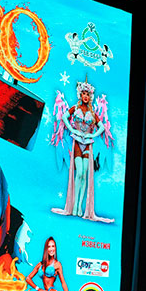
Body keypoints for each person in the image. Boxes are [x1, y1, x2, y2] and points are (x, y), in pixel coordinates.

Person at [51, 80, 108, 222]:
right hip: (77, 143)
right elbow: (64, 117)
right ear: (80, 95)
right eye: (83, 94)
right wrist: (72, 130)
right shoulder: (75, 108)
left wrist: (92, 135)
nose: (85, 97)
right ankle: (75, 205)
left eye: (88, 94)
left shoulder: (92, 113)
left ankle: (79, 206)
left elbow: (102, 127)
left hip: (87, 144)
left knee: (84, 175)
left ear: (90, 97)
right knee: (80, 172)